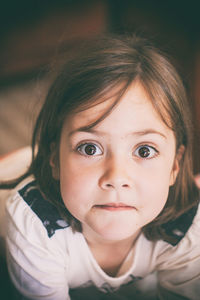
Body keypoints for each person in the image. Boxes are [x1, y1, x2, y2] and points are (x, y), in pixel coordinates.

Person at [2, 34, 200, 300]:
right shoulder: (34, 222)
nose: (116, 178)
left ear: (175, 166)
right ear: (54, 158)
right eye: (89, 148)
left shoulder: (187, 226)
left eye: (144, 150)